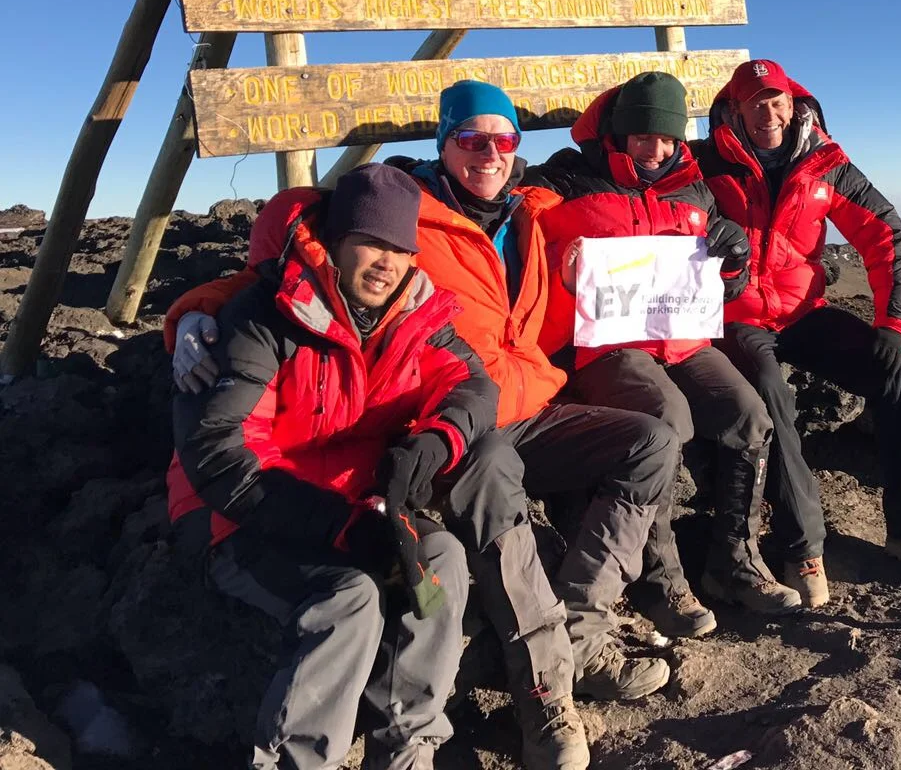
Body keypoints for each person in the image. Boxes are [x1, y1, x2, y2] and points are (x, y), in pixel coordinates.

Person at [173, 81, 690, 770]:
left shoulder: (530, 217)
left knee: (652, 440)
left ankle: (582, 632)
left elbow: (605, 259)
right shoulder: (406, 215)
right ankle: (544, 690)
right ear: (443, 143)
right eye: (472, 140)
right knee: (458, 503)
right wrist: (192, 311)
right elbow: (277, 265)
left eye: (503, 141)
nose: (489, 154)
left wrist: (704, 251)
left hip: (503, 410)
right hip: (433, 446)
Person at [169, 163, 490, 770]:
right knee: (352, 596)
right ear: (334, 244)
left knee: (443, 559)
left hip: (352, 503)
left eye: (400, 247)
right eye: (372, 241)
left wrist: (434, 442)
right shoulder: (260, 318)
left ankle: (406, 748)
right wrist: (339, 527)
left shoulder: (413, 316)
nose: (387, 261)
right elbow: (218, 451)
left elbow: (473, 385)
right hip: (237, 517)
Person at [694, 59, 901, 608]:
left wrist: (893, 321)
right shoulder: (706, 163)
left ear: (794, 103)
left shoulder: (825, 163)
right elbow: (670, 209)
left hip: (804, 311)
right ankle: (802, 545)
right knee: (767, 389)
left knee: (891, 366)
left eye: (775, 100)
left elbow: (885, 235)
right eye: (754, 103)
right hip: (736, 318)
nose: (767, 112)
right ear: (732, 110)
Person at [534, 70, 801, 615]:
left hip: (684, 339)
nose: (654, 149)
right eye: (641, 135)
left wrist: (735, 262)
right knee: (666, 419)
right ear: (617, 130)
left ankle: (734, 564)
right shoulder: (566, 180)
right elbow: (513, 225)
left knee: (748, 415)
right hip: (608, 346)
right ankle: (662, 580)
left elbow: (726, 283)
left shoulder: (695, 186)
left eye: (666, 137)